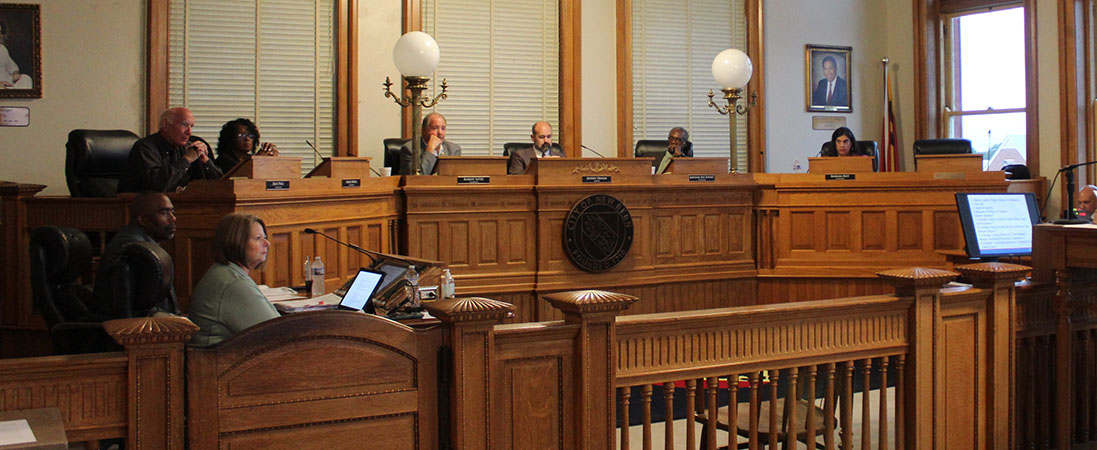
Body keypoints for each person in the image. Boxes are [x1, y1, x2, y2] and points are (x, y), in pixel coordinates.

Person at [188, 213, 279, 346]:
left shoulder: (225, 272)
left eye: (264, 238)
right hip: (222, 362)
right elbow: (278, 334)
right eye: (258, 238)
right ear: (236, 242)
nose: (267, 243)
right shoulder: (232, 283)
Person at [92, 192, 179, 317]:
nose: (173, 218)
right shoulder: (136, 251)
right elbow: (135, 313)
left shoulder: (139, 241)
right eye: (164, 213)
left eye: (172, 211)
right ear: (142, 219)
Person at [118, 107, 223, 193]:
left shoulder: (191, 145)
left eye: (191, 126)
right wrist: (186, 160)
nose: (189, 132)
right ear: (165, 125)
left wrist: (205, 162)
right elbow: (159, 186)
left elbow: (221, 186)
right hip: (144, 209)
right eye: (184, 125)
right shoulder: (146, 147)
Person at [214, 118, 279, 174]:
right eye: (242, 135)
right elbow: (240, 176)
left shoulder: (248, 158)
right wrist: (258, 160)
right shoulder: (224, 160)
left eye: (251, 136)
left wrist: (271, 162)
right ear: (231, 138)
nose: (247, 139)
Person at [0, 20, 30, 89]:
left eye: (0, 32)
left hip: (7, 82)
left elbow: (12, 66)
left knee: (26, 78)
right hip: (1, 85)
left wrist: (15, 73)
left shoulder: (2, 49)